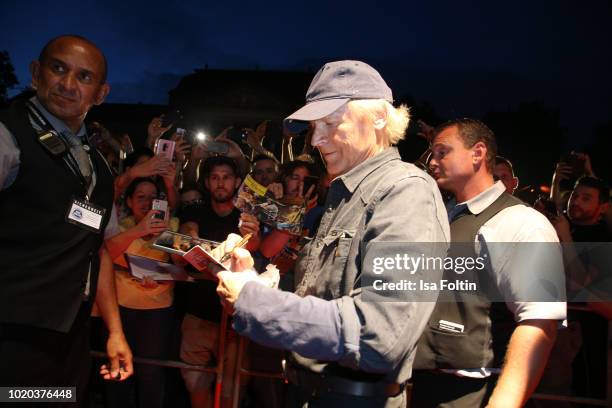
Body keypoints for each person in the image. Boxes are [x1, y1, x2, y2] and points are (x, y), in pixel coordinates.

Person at [216, 60, 450, 407]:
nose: (317, 139)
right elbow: (327, 294)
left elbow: (381, 335)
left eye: (331, 122)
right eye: (313, 126)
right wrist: (258, 280)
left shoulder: (407, 191)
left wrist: (255, 301)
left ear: (379, 118)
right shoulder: (344, 193)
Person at [0, 35, 132, 405]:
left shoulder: (100, 169)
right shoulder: (8, 136)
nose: (68, 84)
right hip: (12, 331)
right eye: (58, 69)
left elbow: (99, 251)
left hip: (69, 335)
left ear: (100, 94)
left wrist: (115, 332)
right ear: (35, 73)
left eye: (84, 77)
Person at [411, 118, 566, 407]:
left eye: (442, 152)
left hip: (477, 392)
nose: (432, 162)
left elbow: (539, 322)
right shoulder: (444, 216)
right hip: (426, 385)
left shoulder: (522, 222)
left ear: (478, 154)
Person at [177, 156, 260, 408]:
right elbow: (187, 235)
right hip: (197, 313)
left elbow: (254, 245)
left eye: (226, 177)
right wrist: (190, 239)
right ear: (206, 182)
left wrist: (251, 234)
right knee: (195, 383)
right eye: (215, 177)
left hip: (233, 318)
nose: (220, 183)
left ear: (236, 182)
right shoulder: (195, 210)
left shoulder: (245, 215)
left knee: (231, 388)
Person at [104, 177, 180, 408]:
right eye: (141, 197)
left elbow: (180, 264)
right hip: (120, 310)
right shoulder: (120, 226)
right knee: (117, 371)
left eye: (153, 197)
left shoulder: (171, 225)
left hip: (157, 312)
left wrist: (165, 234)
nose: (147, 202)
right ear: (129, 200)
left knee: (150, 374)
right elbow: (106, 253)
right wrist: (139, 229)